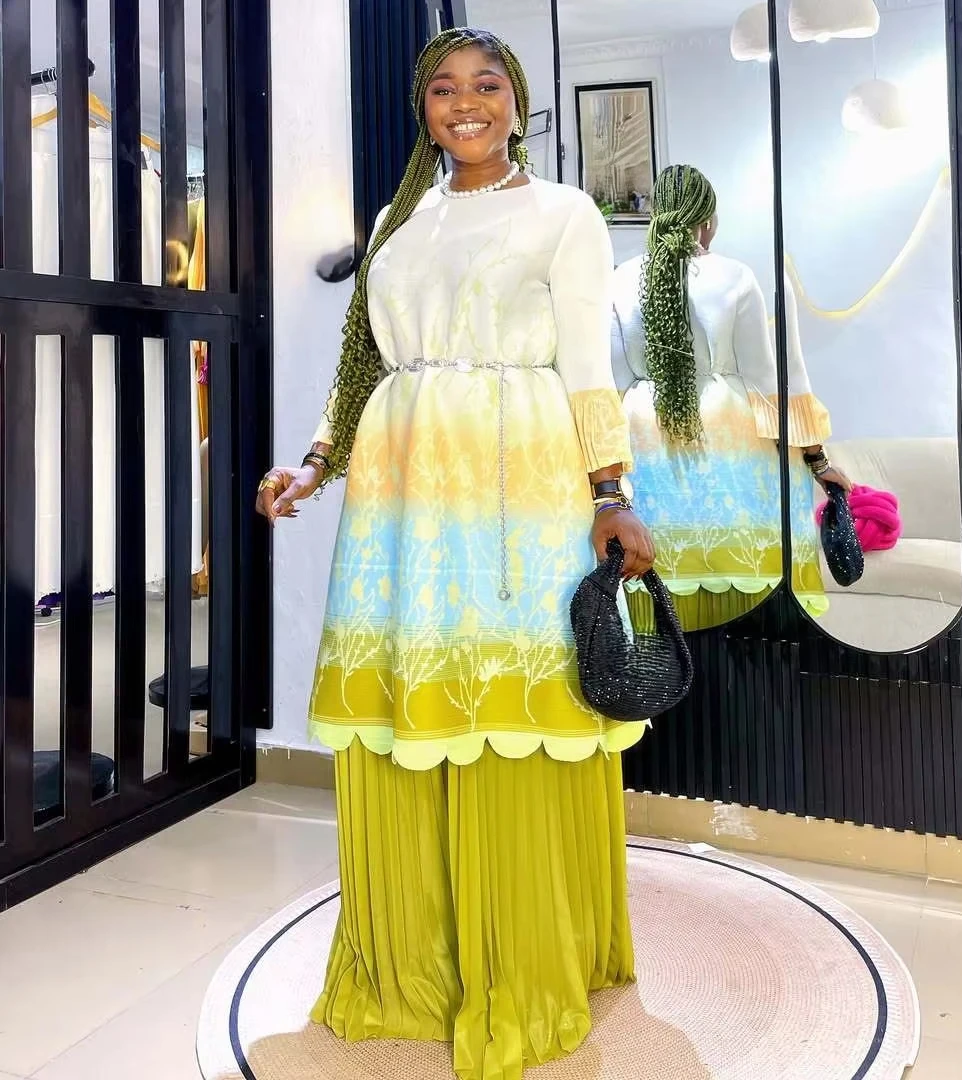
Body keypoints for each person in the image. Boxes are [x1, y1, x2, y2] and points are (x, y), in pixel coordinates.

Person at [256, 27, 654, 1080]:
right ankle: (413, 966)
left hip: (516, 479)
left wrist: (611, 494)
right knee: (412, 703)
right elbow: (361, 364)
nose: (464, 103)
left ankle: (523, 964)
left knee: (508, 711)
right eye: (442, 88)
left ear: (516, 102)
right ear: (423, 109)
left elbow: (587, 365)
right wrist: (313, 463)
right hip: (400, 489)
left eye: (485, 85)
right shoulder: (401, 220)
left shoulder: (564, 212)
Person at [610, 164, 849, 633]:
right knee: (747, 617)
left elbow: (612, 383)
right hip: (734, 446)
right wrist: (818, 462)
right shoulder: (735, 276)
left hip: (646, 447)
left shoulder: (619, 279)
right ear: (708, 222)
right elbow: (770, 381)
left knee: (657, 609)